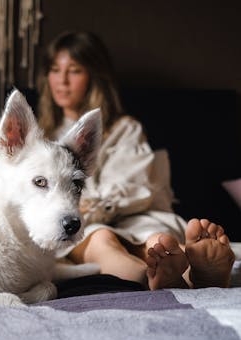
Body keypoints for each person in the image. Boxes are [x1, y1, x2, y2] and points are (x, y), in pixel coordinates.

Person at [37, 31, 235, 290]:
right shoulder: (42, 138)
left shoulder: (124, 128)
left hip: (132, 215)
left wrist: (91, 205)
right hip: (84, 222)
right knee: (101, 239)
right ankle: (154, 278)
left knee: (156, 242)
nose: (62, 81)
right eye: (55, 70)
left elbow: (134, 186)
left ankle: (200, 270)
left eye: (74, 71)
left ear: (94, 77)